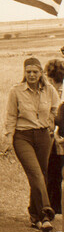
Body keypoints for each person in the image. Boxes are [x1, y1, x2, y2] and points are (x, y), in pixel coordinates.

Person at [5, 57, 59, 232]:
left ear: (41, 73)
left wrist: (51, 123)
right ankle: (45, 210)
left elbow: (56, 109)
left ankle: (35, 216)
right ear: (24, 72)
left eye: (35, 71)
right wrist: (8, 138)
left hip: (44, 135)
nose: (31, 75)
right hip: (22, 137)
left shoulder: (49, 90)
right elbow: (11, 116)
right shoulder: (16, 91)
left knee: (40, 175)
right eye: (28, 72)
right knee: (36, 173)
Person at [44, 59, 64, 215]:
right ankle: (55, 207)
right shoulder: (50, 90)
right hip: (54, 135)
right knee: (53, 172)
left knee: (53, 172)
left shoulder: (53, 90)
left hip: (58, 134)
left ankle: (55, 206)